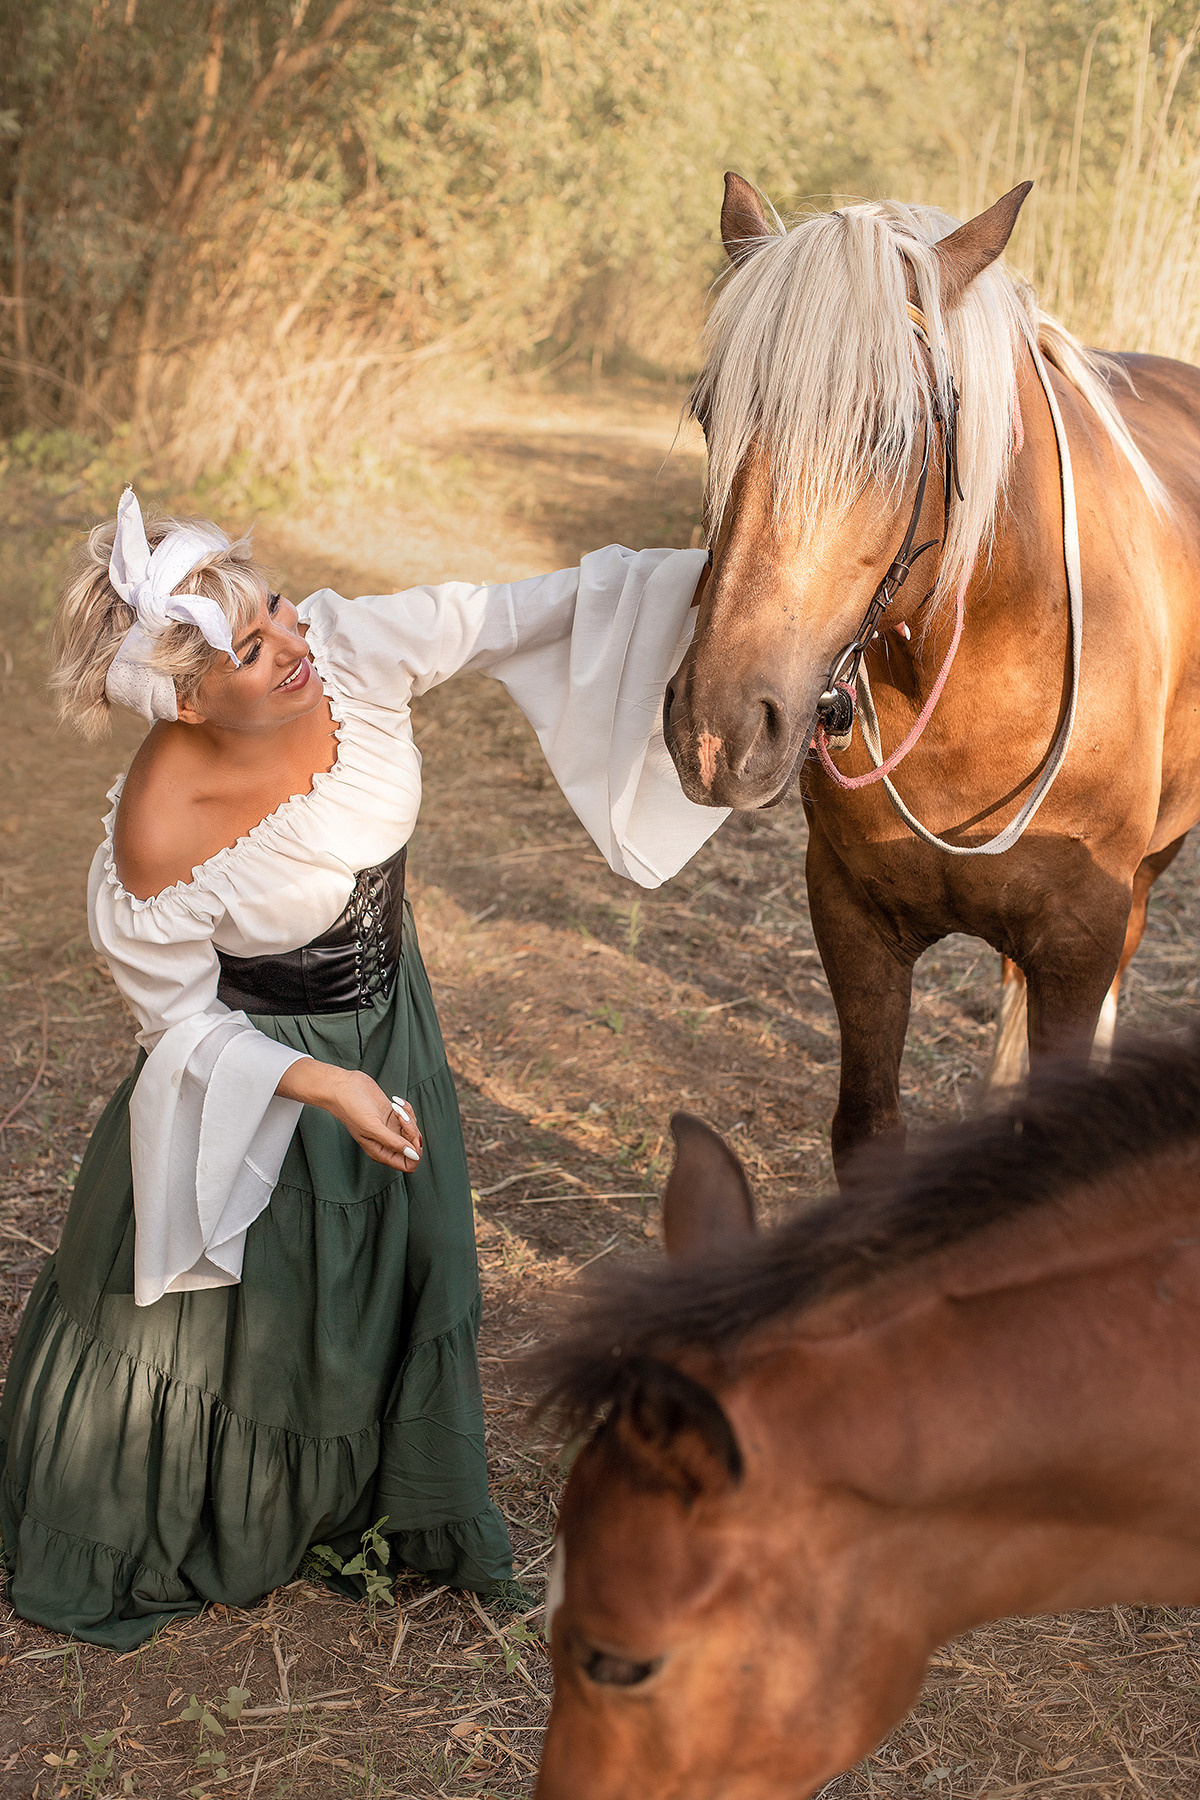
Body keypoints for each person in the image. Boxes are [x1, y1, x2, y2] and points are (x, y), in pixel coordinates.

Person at [0, 488, 726, 1650]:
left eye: (276, 606)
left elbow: (520, 613)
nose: (293, 643)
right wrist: (325, 1086)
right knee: (266, 1312)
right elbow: (176, 1032)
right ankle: (247, 1505)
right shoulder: (157, 828)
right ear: (186, 701)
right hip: (265, 1079)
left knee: (419, 1253)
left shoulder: (349, 649)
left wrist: (726, 582)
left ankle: (402, 1498)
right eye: (250, 649)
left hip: (397, 1026)